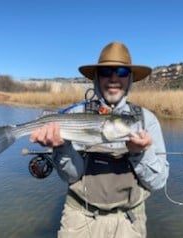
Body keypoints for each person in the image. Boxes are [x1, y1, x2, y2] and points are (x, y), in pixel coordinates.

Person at [30, 42, 169, 238]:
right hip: (79, 217)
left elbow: (157, 183)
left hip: (130, 221)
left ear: (130, 79)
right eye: (106, 71)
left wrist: (139, 153)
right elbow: (71, 177)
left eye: (121, 71)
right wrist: (61, 148)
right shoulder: (75, 114)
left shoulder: (146, 120)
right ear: (96, 78)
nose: (114, 78)